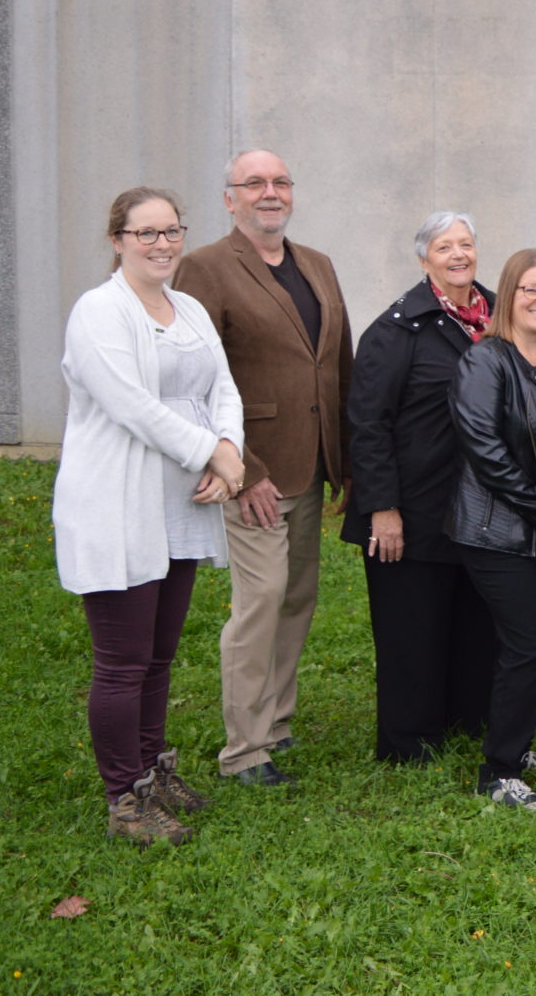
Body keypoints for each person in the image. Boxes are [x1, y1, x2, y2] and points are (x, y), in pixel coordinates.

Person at [54, 188, 246, 844]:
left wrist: (229, 455)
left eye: (171, 231)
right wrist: (212, 453)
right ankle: (125, 800)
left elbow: (222, 388)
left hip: (177, 505)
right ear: (117, 240)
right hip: (117, 505)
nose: (161, 244)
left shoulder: (188, 307)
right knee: (123, 660)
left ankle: (152, 769)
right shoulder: (98, 313)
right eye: (145, 233)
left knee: (159, 656)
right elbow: (131, 404)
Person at [176, 150, 351, 788]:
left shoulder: (318, 266)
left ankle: (275, 721)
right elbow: (194, 381)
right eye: (254, 184)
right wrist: (242, 470)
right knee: (260, 601)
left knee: (297, 597)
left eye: (279, 182)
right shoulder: (205, 268)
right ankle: (244, 750)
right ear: (230, 199)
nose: (268, 193)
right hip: (253, 470)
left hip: (313, 465)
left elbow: (339, 366)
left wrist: (349, 461)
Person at [339, 211, 498, 763]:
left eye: (466, 244)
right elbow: (368, 423)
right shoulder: (397, 328)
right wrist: (383, 508)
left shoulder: (499, 316)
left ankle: (467, 719)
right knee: (413, 628)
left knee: (473, 622)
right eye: (444, 246)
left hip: (480, 506)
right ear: (423, 259)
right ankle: (408, 741)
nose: (459, 254)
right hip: (411, 507)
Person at [445, 249, 536, 811]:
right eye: (531, 290)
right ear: (509, 295)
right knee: (529, 643)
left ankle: (514, 741)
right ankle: (498, 771)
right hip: (493, 530)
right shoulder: (485, 362)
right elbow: (483, 450)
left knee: (523, 645)